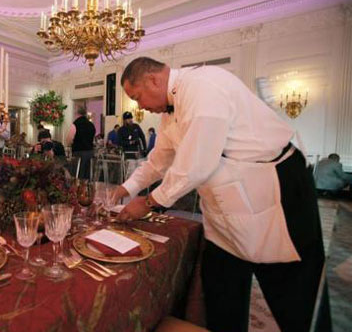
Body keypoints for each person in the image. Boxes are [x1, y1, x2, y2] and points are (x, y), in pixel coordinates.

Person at [112, 57, 324, 332]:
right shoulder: (169, 114)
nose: (139, 106)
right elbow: (157, 162)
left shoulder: (203, 85)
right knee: (220, 291)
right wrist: (124, 189)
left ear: (153, 80)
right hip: (225, 215)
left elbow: (196, 165)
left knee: (292, 294)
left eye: (137, 97)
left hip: (276, 194)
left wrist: (150, 202)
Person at [65, 106, 95, 179]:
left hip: (79, 153)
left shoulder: (75, 124)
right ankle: (87, 189)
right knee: (88, 175)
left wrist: (69, 145)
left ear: (76, 113)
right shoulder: (91, 125)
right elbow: (93, 138)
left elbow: (69, 139)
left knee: (78, 174)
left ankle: (78, 189)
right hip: (90, 152)